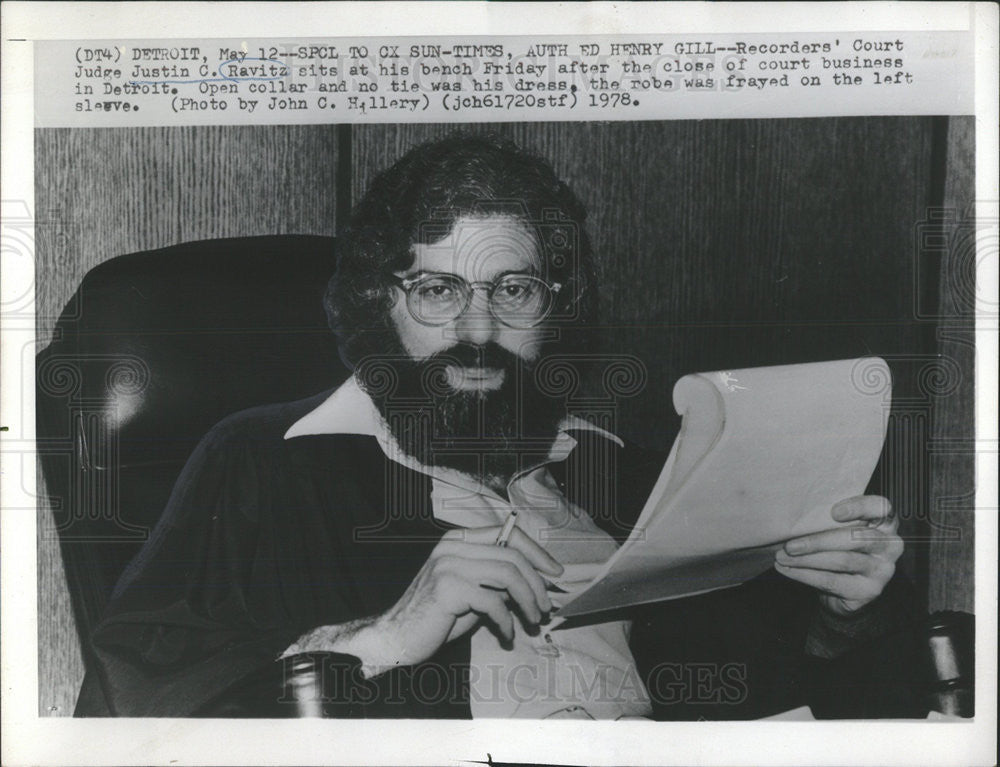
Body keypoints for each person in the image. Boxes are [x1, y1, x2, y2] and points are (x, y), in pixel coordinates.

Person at [80, 134, 918, 719]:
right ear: (384, 304)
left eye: (513, 290)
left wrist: (840, 608)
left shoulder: (618, 469)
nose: (479, 330)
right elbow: (141, 707)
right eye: (439, 291)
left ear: (555, 311)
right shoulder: (263, 460)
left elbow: (765, 689)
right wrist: (379, 639)